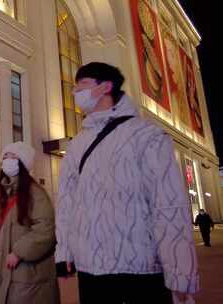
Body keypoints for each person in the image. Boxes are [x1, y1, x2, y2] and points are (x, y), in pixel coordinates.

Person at [55, 62, 198, 303]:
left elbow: (169, 206)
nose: (75, 92)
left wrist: (180, 273)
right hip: (91, 270)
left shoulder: (146, 135)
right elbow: (67, 202)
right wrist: (64, 252)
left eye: (82, 84)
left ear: (105, 87)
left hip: (139, 268)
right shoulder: (77, 144)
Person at [0, 142, 58, 304]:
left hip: (28, 274)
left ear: (23, 163)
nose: (8, 160)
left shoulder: (36, 194)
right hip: (2, 270)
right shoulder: (2, 195)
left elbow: (46, 228)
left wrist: (19, 252)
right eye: (5, 156)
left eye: (13, 156)